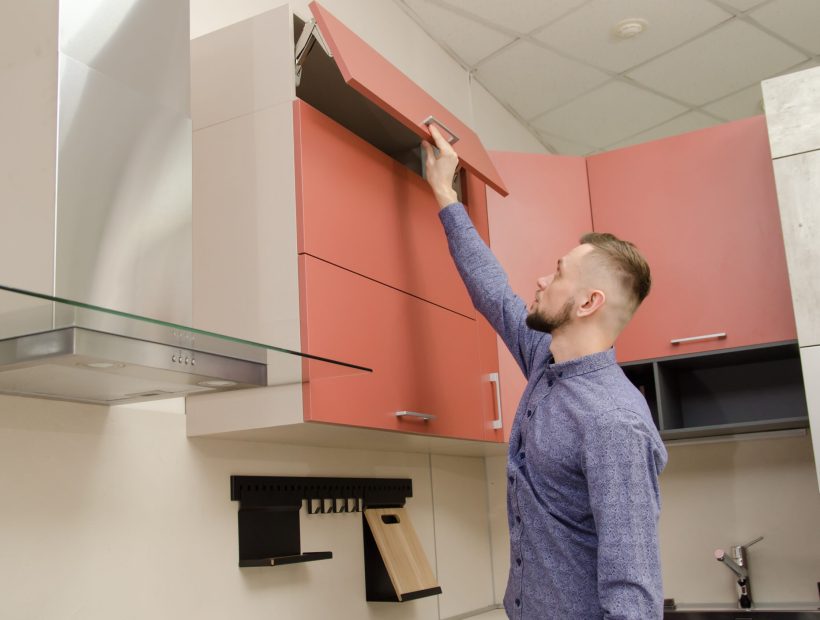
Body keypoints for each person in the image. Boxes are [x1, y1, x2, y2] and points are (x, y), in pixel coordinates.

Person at [422, 125, 668, 620]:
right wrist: (446, 195)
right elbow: (494, 293)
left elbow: (633, 587)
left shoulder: (613, 421)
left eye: (557, 273)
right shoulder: (546, 362)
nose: (540, 279)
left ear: (587, 302)